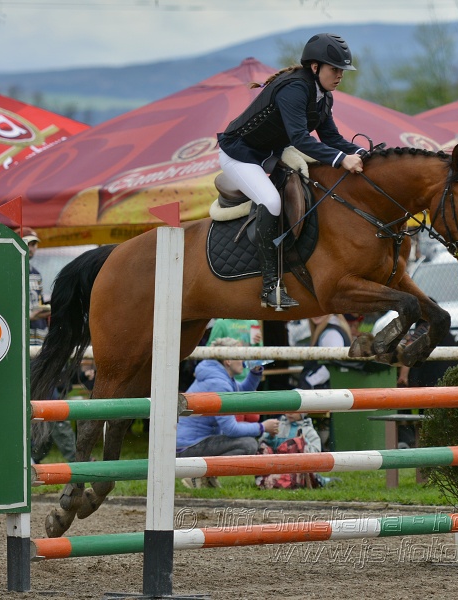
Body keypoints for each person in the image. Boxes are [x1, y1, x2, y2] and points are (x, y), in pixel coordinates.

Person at [217, 33, 368, 310]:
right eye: (334, 69)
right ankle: (270, 286)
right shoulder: (295, 89)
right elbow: (300, 138)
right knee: (272, 202)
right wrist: (340, 160)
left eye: (342, 71)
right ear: (315, 67)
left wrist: (362, 154)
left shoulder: (324, 97)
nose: (339, 76)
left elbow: (332, 138)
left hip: (269, 153)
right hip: (239, 153)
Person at [176, 337, 280, 489]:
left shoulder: (218, 377)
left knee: (248, 442)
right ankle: (198, 473)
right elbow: (231, 429)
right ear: (228, 361)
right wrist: (262, 427)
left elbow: (242, 393)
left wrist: (255, 372)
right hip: (188, 448)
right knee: (249, 444)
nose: (243, 360)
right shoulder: (220, 383)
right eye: (239, 356)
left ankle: (204, 475)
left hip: (189, 444)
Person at [22, 227, 77, 464]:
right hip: (22, 347)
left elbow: (38, 305)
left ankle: (38, 456)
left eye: (34, 244)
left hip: (39, 345)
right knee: (43, 403)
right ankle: (69, 459)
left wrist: (45, 310)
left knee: (48, 402)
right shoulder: (10, 271)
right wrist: (33, 314)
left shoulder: (35, 273)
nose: (33, 248)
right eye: (29, 243)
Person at [296, 314, 351, 390]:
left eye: (321, 309)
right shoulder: (332, 329)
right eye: (312, 308)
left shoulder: (331, 333)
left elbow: (332, 366)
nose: (316, 313)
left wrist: (309, 382)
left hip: (325, 393)